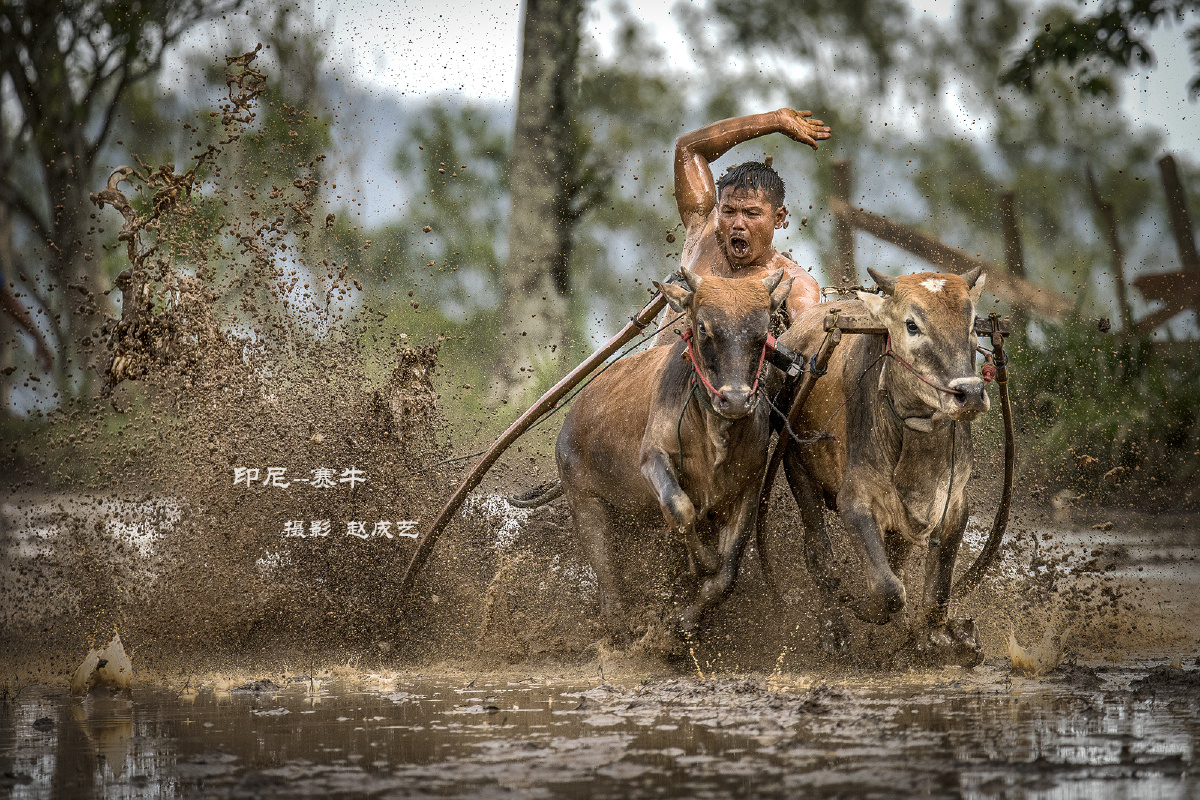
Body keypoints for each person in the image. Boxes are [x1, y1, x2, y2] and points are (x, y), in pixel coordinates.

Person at [661, 108, 829, 340]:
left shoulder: (794, 283)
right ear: (719, 210)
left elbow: (810, 341)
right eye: (729, 211)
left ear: (778, 218)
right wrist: (776, 121)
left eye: (751, 213)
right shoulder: (704, 229)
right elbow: (687, 148)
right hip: (658, 373)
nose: (737, 224)